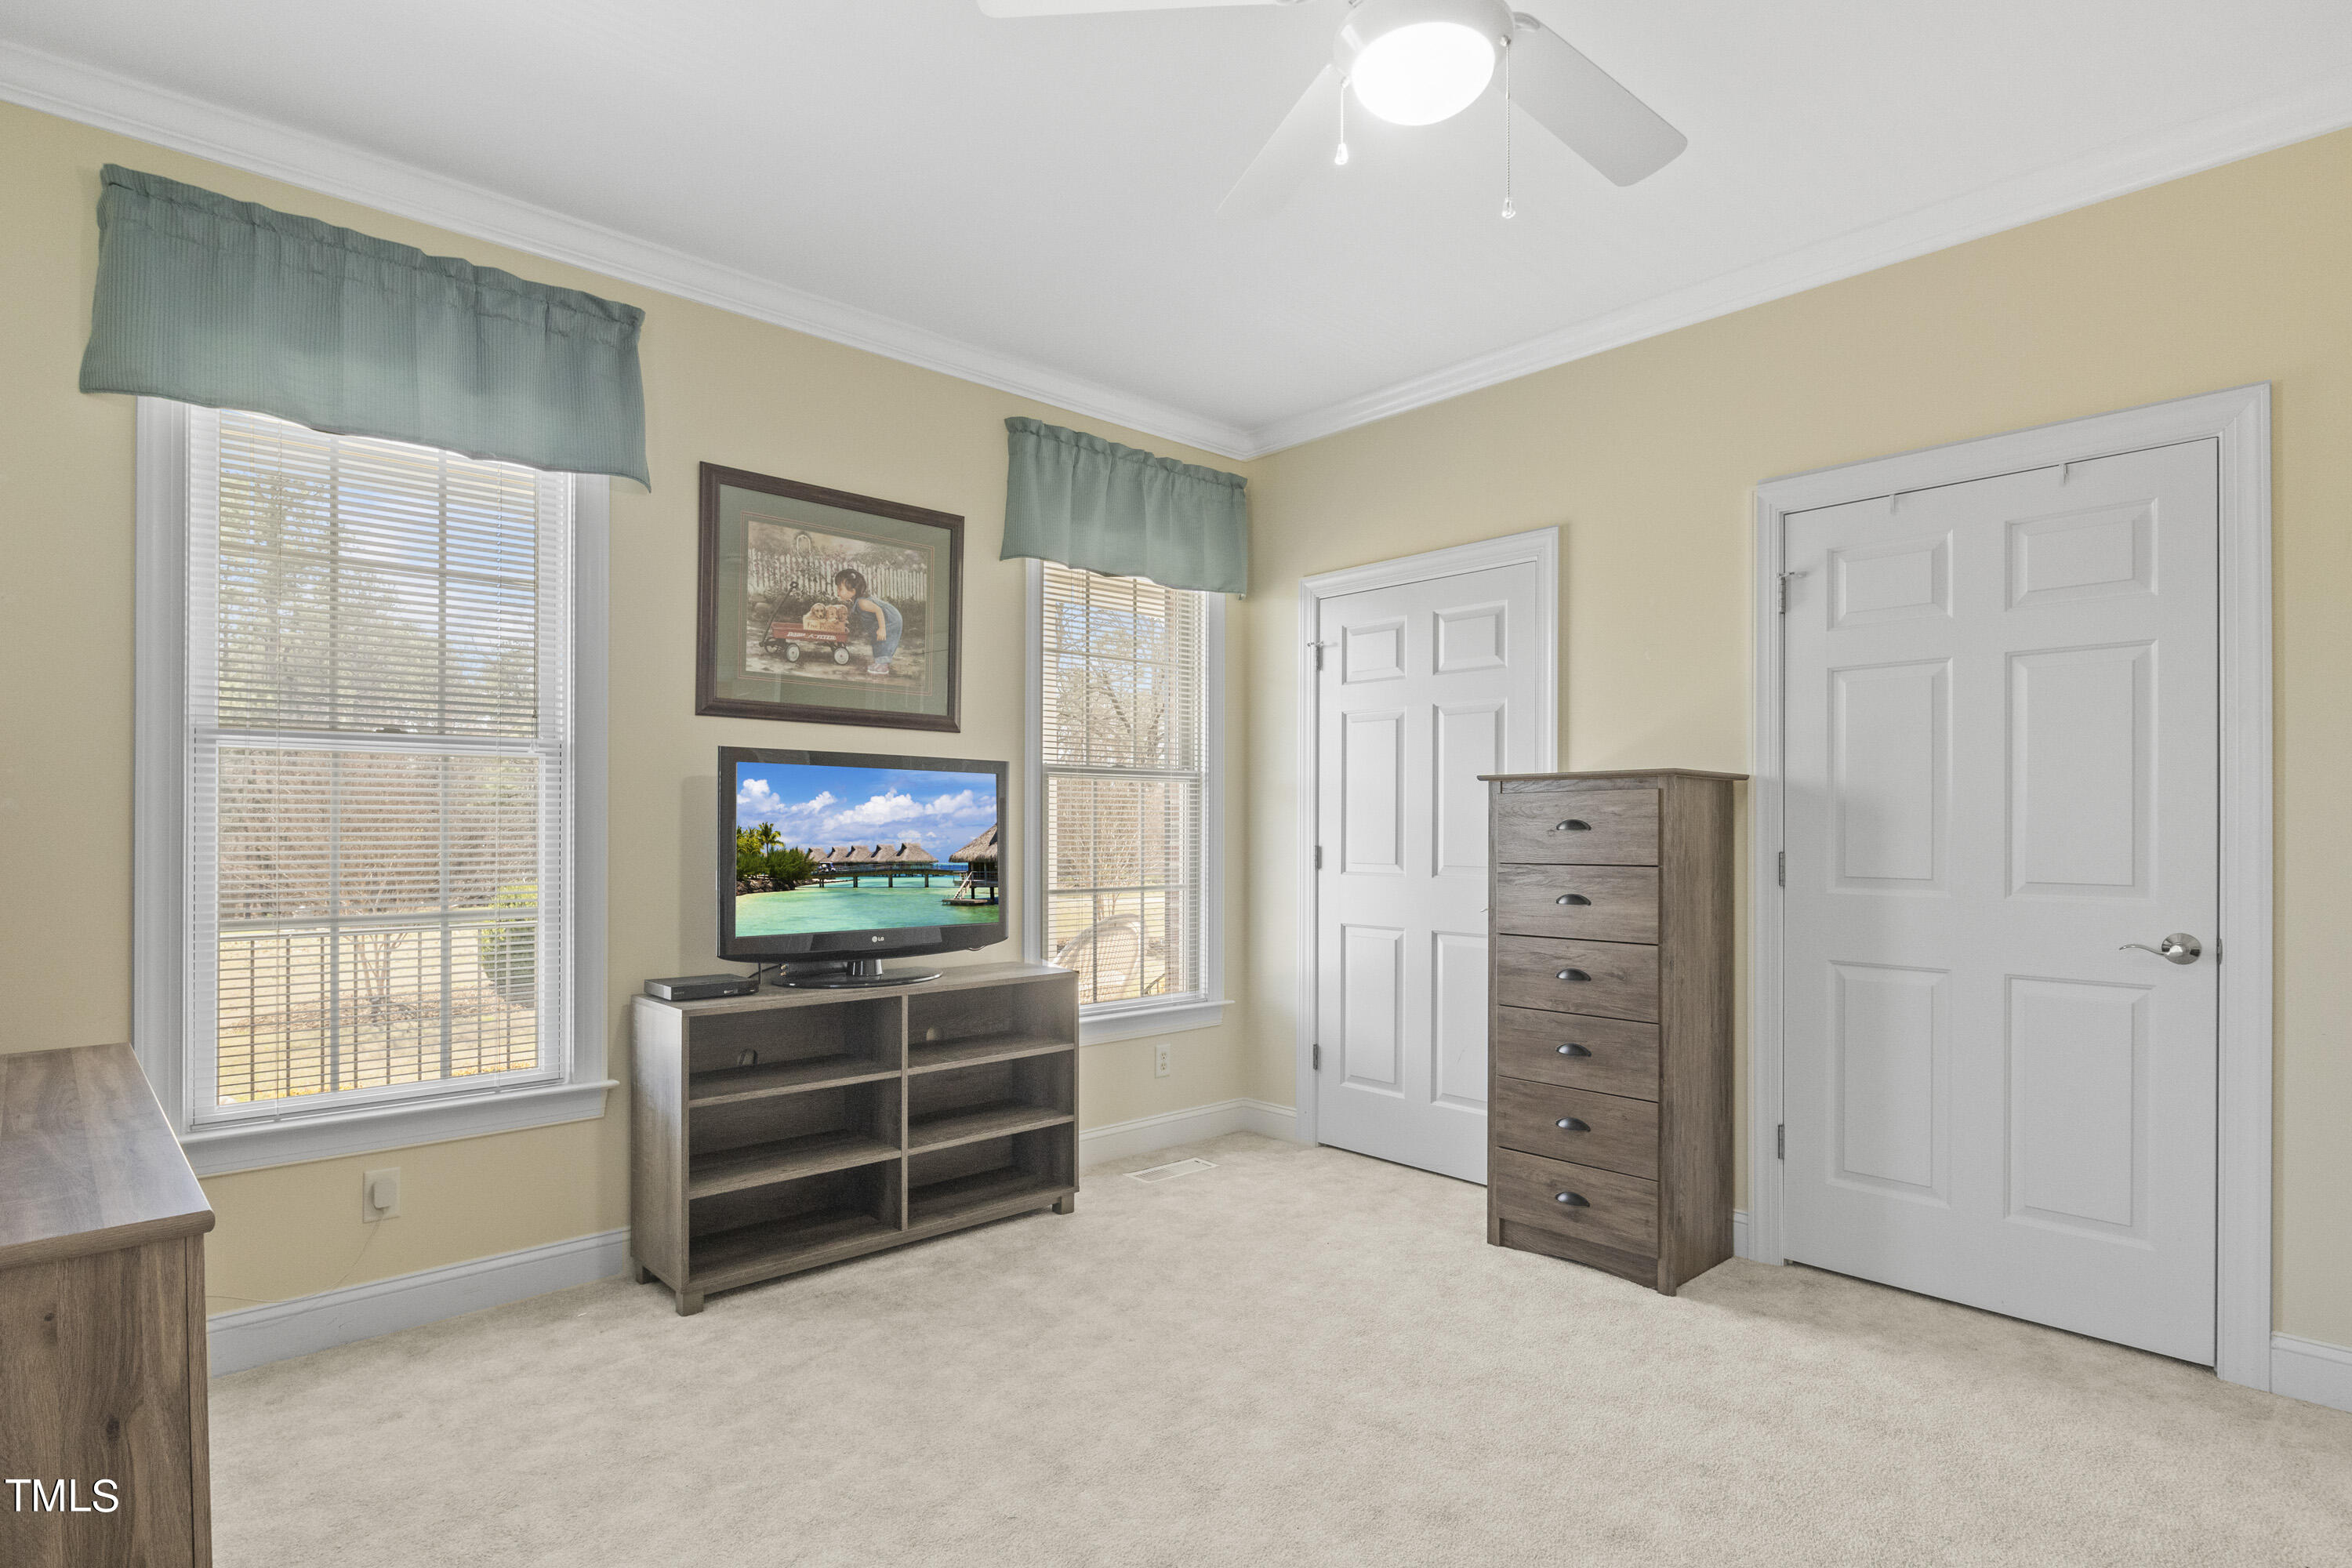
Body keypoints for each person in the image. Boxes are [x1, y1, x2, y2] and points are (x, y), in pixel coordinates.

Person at [833, 568, 902, 677]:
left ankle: (883, 666)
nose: (837, 592)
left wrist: (882, 629)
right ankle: (880, 663)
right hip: (885, 619)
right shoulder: (858, 602)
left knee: (882, 641)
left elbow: (878, 610)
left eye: (840, 589)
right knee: (877, 639)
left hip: (890, 620)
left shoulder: (862, 603)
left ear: (853, 592)